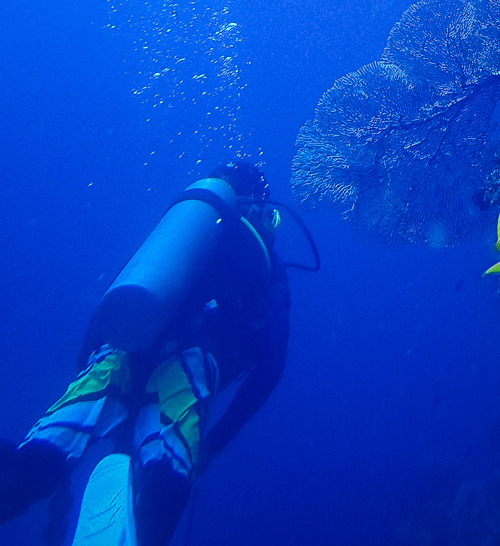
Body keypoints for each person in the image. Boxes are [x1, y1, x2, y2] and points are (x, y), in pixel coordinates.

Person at [0, 162, 290, 546]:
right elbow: (270, 367)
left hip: (117, 353)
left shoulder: (175, 233)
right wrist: (213, 446)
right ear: (261, 206)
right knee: (163, 481)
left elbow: (112, 307)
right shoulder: (267, 261)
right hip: (192, 367)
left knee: (35, 460)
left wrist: (92, 367)